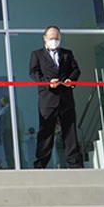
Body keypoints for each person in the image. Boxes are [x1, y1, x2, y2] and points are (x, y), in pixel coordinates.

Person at [29, 25, 83, 168]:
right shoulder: (37, 54)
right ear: (45, 38)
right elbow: (34, 73)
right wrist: (47, 83)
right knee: (46, 131)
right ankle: (41, 164)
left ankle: (74, 163)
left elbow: (76, 70)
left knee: (70, 130)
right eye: (52, 38)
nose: (54, 40)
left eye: (57, 38)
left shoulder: (67, 53)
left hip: (66, 98)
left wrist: (70, 80)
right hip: (48, 99)